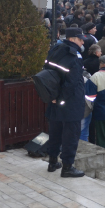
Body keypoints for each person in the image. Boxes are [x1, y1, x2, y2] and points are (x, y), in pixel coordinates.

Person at [44, 27, 86, 178]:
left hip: (54, 98)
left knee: (54, 132)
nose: (82, 42)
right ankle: (67, 167)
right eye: (80, 39)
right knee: (71, 134)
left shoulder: (55, 49)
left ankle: (52, 161)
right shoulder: (75, 56)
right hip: (70, 102)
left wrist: (54, 96)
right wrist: (62, 98)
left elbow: (47, 71)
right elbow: (72, 82)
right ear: (73, 39)